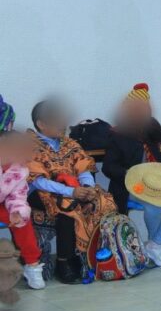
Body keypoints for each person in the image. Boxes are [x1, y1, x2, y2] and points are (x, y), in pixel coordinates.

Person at [27, 99, 117, 284]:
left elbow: (83, 168)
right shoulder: (28, 145)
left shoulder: (70, 143)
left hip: (72, 189)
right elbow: (38, 181)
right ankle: (64, 263)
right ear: (41, 124)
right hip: (41, 192)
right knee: (67, 208)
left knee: (103, 201)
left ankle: (90, 258)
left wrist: (87, 188)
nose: (63, 123)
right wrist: (71, 192)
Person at [102, 83, 161, 266]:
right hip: (132, 186)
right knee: (154, 206)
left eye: (145, 108)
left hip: (160, 185)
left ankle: (155, 244)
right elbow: (108, 167)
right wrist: (131, 174)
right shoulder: (118, 134)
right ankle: (156, 247)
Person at [0, 130, 45, 289]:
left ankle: (32, 265)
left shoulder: (19, 170)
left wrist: (17, 212)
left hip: (2, 204)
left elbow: (17, 195)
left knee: (22, 222)